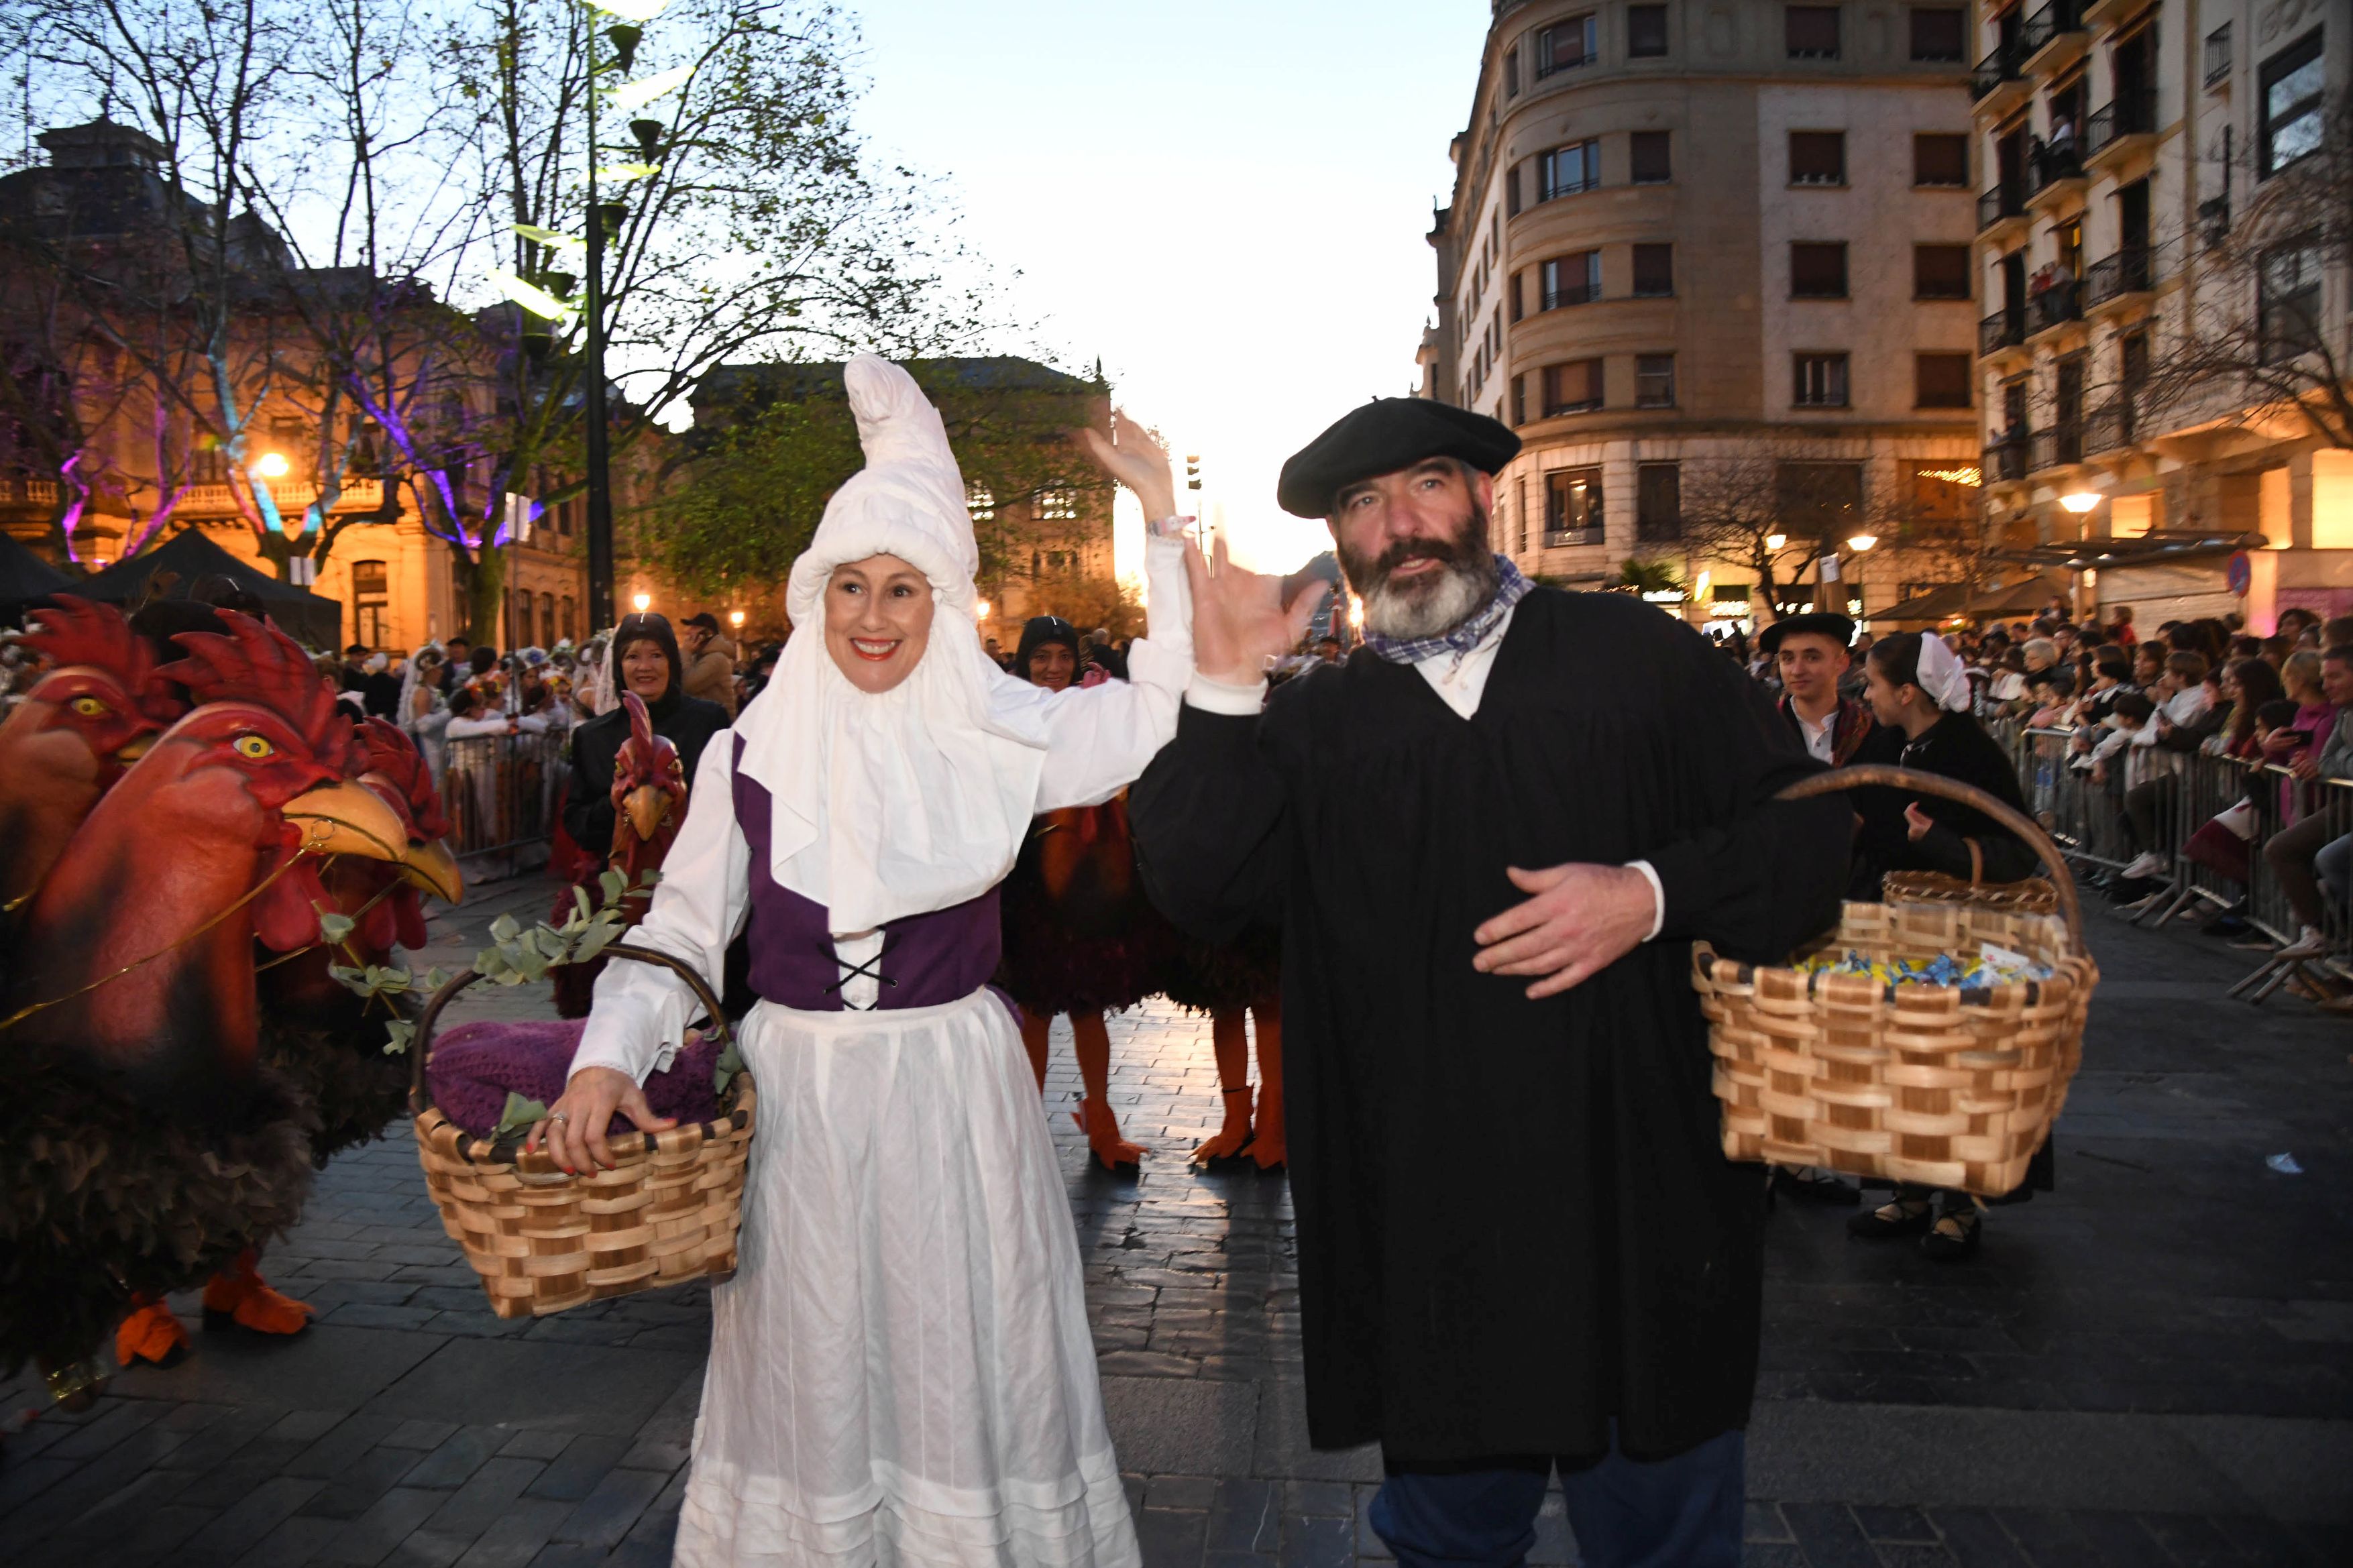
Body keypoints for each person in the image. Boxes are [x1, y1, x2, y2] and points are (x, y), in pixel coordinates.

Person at [1130, 396, 1847, 1568]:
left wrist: (1650, 893)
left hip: (1639, 1195)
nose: (1398, 523)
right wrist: (1221, 684)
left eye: (1424, 483)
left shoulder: (1635, 656)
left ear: (1480, 496)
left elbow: (1807, 836)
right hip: (1431, 1220)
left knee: (1663, 1537)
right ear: (1342, 542)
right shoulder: (1320, 721)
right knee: (1448, 1542)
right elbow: (1196, 884)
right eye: (1362, 502)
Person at [538, 360, 1199, 1567]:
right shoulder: (747, 753)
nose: (874, 614)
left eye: (903, 587)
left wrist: (1161, 522)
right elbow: (677, 933)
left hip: (951, 1092)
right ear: (816, 595)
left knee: (961, 1344)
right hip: (797, 1096)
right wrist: (602, 1058)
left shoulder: (998, 732)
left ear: (941, 603)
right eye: (851, 584)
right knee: (811, 1355)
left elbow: (1153, 718)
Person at [1846, 632, 2046, 1260]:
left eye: (1874, 684)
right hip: (1896, 931)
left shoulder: (1970, 752)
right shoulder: (1887, 742)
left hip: (1962, 941)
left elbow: (2019, 848)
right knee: (1899, 1064)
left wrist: (1939, 842)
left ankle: (1960, 1205)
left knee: (1960, 1068)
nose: (1867, 694)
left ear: (1907, 691)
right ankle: (1908, 1190)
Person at [995, 613, 1173, 1169]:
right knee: (1034, 1011)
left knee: (1088, 1006)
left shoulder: (1092, 712)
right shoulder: (1005, 714)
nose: (1053, 667)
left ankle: (1101, 1123)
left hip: (1090, 879)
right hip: (1028, 879)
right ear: (1025, 663)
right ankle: (1025, 1134)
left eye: (1063, 657)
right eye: (1041, 657)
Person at [561, 613, 730, 860]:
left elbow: (731, 803)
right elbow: (579, 823)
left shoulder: (708, 722)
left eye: (656, 655)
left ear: (672, 662)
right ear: (619, 666)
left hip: (698, 869)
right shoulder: (592, 737)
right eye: (632, 657)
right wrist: (619, 803)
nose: (645, 667)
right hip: (622, 876)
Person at [2260, 645, 2353, 960]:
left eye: (2335, 677)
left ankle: (2329, 934)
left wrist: (2335, 763)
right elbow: (2325, 759)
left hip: (2337, 803)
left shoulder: (2334, 714)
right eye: (2324, 678)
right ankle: (2326, 933)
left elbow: (2329, 763)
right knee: (2288, 851)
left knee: (2301, 853)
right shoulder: (2344, 712)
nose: (2326, 686)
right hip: (2328, 802)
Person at [1759, 611, 1875, 766]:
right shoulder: (1762, 730)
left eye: (1812, 658)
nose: (1797, 671)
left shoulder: (1869, 730)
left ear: (1842, 663)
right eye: (1788, 659)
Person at [679, 610, 739, 718]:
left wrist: (686, 652)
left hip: (717, 724)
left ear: (707, 634)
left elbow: (688, 685)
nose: (688, 632)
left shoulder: (716, 659)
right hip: (708, 720)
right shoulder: (700, 656)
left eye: (694, 628)